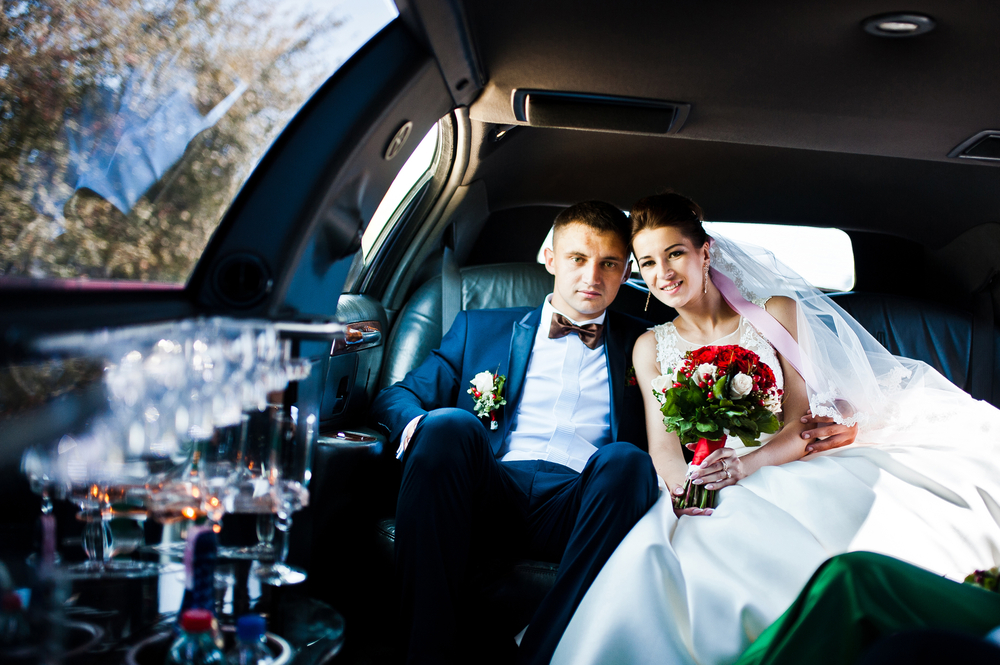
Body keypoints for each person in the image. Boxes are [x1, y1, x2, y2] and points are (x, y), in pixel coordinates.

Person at [551, 193, 1000, 664]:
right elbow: (663, 448)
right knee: (668, 555)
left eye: (675, 253)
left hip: (784, 458)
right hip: (706, 479)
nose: (663, 272)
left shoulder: (775, 313)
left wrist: (745, 465)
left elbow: (799, 419)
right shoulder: (648, 347)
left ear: (705, 252)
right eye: (647, 262)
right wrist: (689, 490)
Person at [370, 201, 658, 665]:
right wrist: (428, 435)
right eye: (578, 259)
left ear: (626, 272)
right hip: (489, 490)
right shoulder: (479, 327)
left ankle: (544, 652)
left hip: (582, 502)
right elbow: (397, 397)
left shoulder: (648, 343)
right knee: (448, 424)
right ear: (549, 257)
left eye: (609, 264)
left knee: (627, 460)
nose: (593, 277)